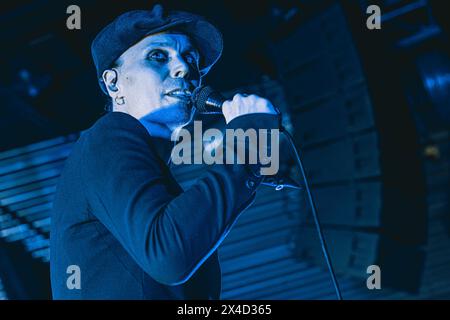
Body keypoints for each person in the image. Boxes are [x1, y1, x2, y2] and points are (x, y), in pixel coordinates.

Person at [50, 4, 279, 299]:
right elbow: (168, 256)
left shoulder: (153, 182)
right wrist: (248, 149)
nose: (184, 68)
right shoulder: (108, 135)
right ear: (113, 83)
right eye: (158, 56)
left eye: (190, 59)